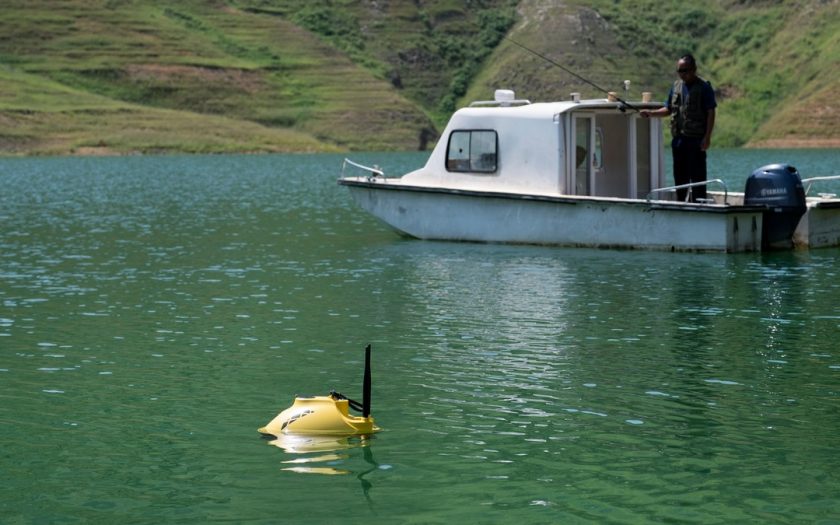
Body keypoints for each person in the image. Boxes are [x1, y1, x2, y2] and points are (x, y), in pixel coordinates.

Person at [641, 54, 716, 202]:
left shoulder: (704, 88)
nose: (683, 74)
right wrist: (651, 113)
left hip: (696, 141)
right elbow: (668, 109)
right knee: (680, 177)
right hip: (679, 141)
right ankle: (681, 204)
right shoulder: (676, 87)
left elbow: (711, 112)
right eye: (680, 71)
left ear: (694, 69)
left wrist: (707, 137)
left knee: (697, 177)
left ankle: (699, 206)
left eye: (685, 70)